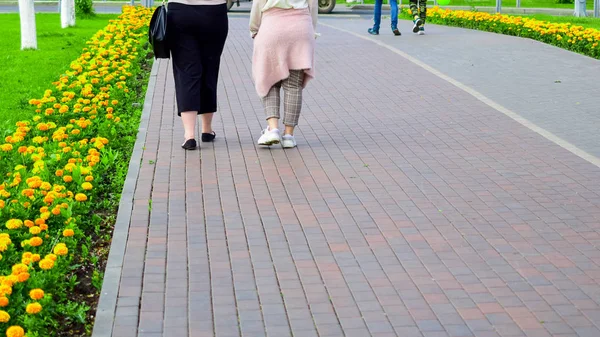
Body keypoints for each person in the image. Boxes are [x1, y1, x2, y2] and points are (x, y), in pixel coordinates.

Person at [250, 0, 318, 148]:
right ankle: (288, 136)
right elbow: (313, 5)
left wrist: (254, 29)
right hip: (300, 28)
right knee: (294, 86)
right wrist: (310, 29)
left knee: (270, 81)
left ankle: (273, 129)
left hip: (273, 26)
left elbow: (258, 4)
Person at [167, 0, 229, 150]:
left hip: (180, 11)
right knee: (210, 69)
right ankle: (206, 130)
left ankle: (189, 136)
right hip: (214, 12)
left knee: (186, 73)